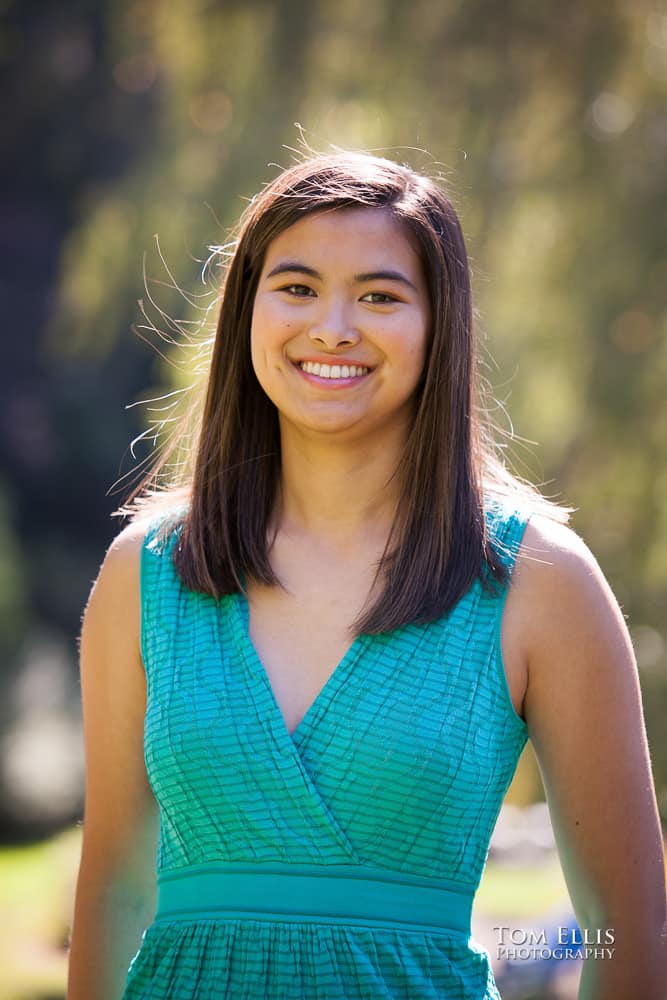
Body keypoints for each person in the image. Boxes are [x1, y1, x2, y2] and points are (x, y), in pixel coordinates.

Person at [67, 151, 667, 1000]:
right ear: (246, 310)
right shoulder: (146, 571)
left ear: (438, 326)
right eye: (297, 287)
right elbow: (113, 893)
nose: (333, 328)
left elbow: (626, 923)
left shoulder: (540, 579)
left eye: (380, 296)